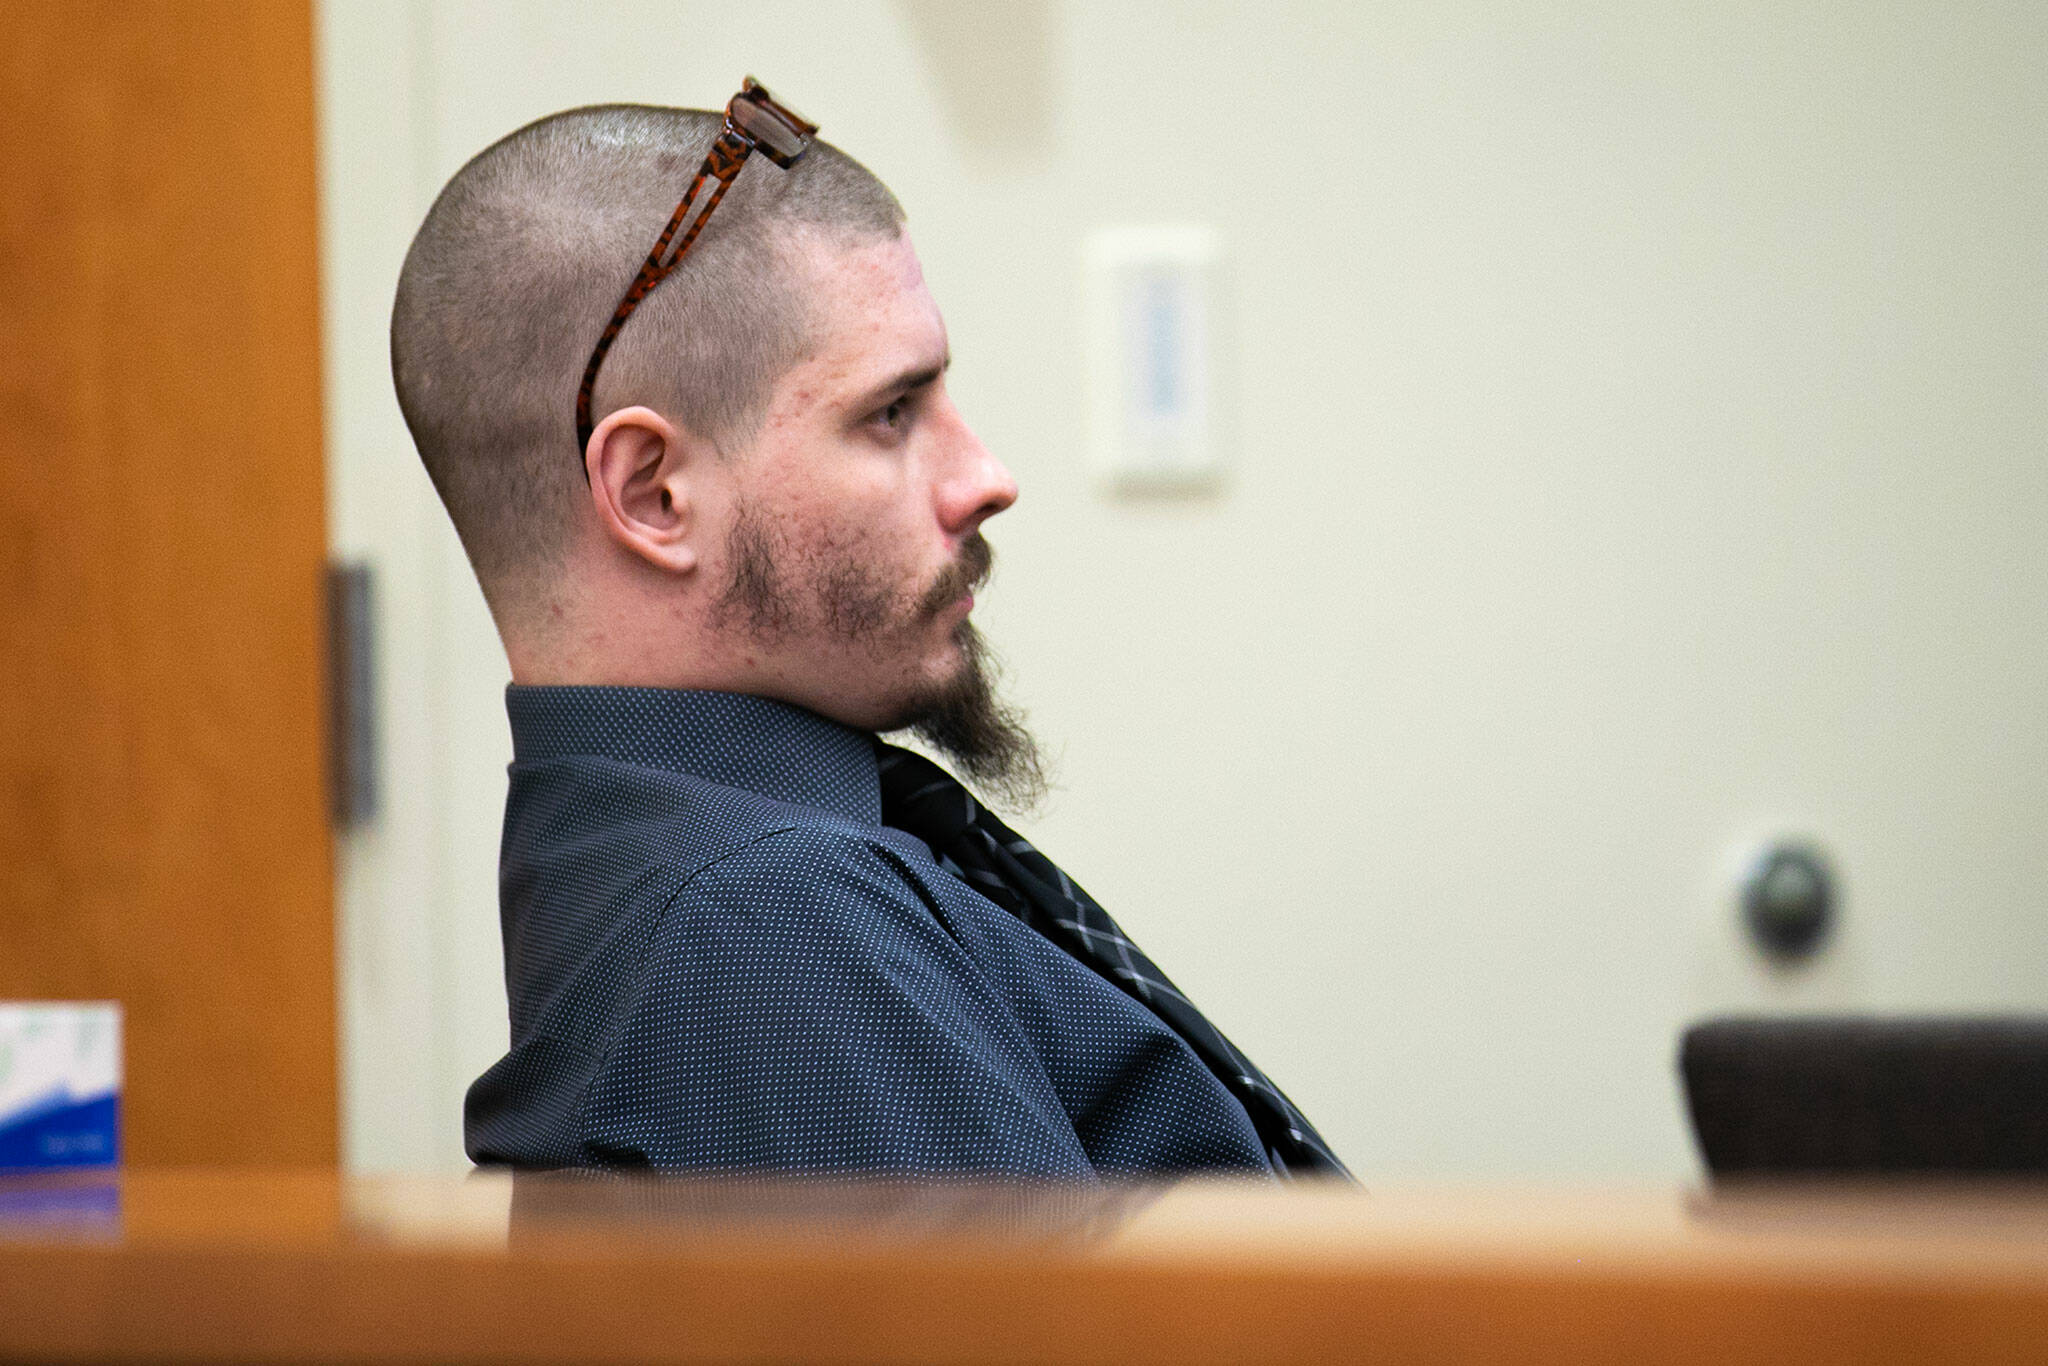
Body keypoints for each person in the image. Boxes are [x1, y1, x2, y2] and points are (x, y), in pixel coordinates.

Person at [390, 81, 1346, 1179]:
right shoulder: (761, 923)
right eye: (890, 412)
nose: (984, 478)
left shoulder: (725, 867)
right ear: (654, 494)